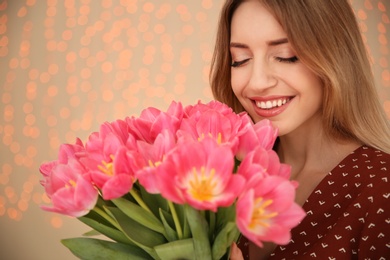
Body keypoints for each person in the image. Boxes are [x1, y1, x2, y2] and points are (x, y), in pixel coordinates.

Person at [209, 0, 390, 259]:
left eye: (286, 56)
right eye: (240, 60)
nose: (257, 82)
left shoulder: (381, 189)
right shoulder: (219, 174)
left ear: (335, 56)